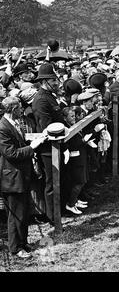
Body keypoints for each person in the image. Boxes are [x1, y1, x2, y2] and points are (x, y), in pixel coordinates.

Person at [0, 96, 47, 258]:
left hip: (20, 176)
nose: (22, 111)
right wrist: (32, 147)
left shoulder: (12, 123)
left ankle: (22, 242)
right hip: (12, 178)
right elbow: (11, 153)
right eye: (19, 108)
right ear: (13, 110)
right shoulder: (2, 127)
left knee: (23, 212)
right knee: (15, 215)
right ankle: (15, 248)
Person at [31, 62, 65, 224]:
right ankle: (53, 217)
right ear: (44, 82)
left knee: (57, 180)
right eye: (53, 81)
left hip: (57, 145)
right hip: (48, 148)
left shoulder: (50, 96)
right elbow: (47, 128)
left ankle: (59, 210)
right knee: (51, 183)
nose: (56, 83)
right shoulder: (41, 100)